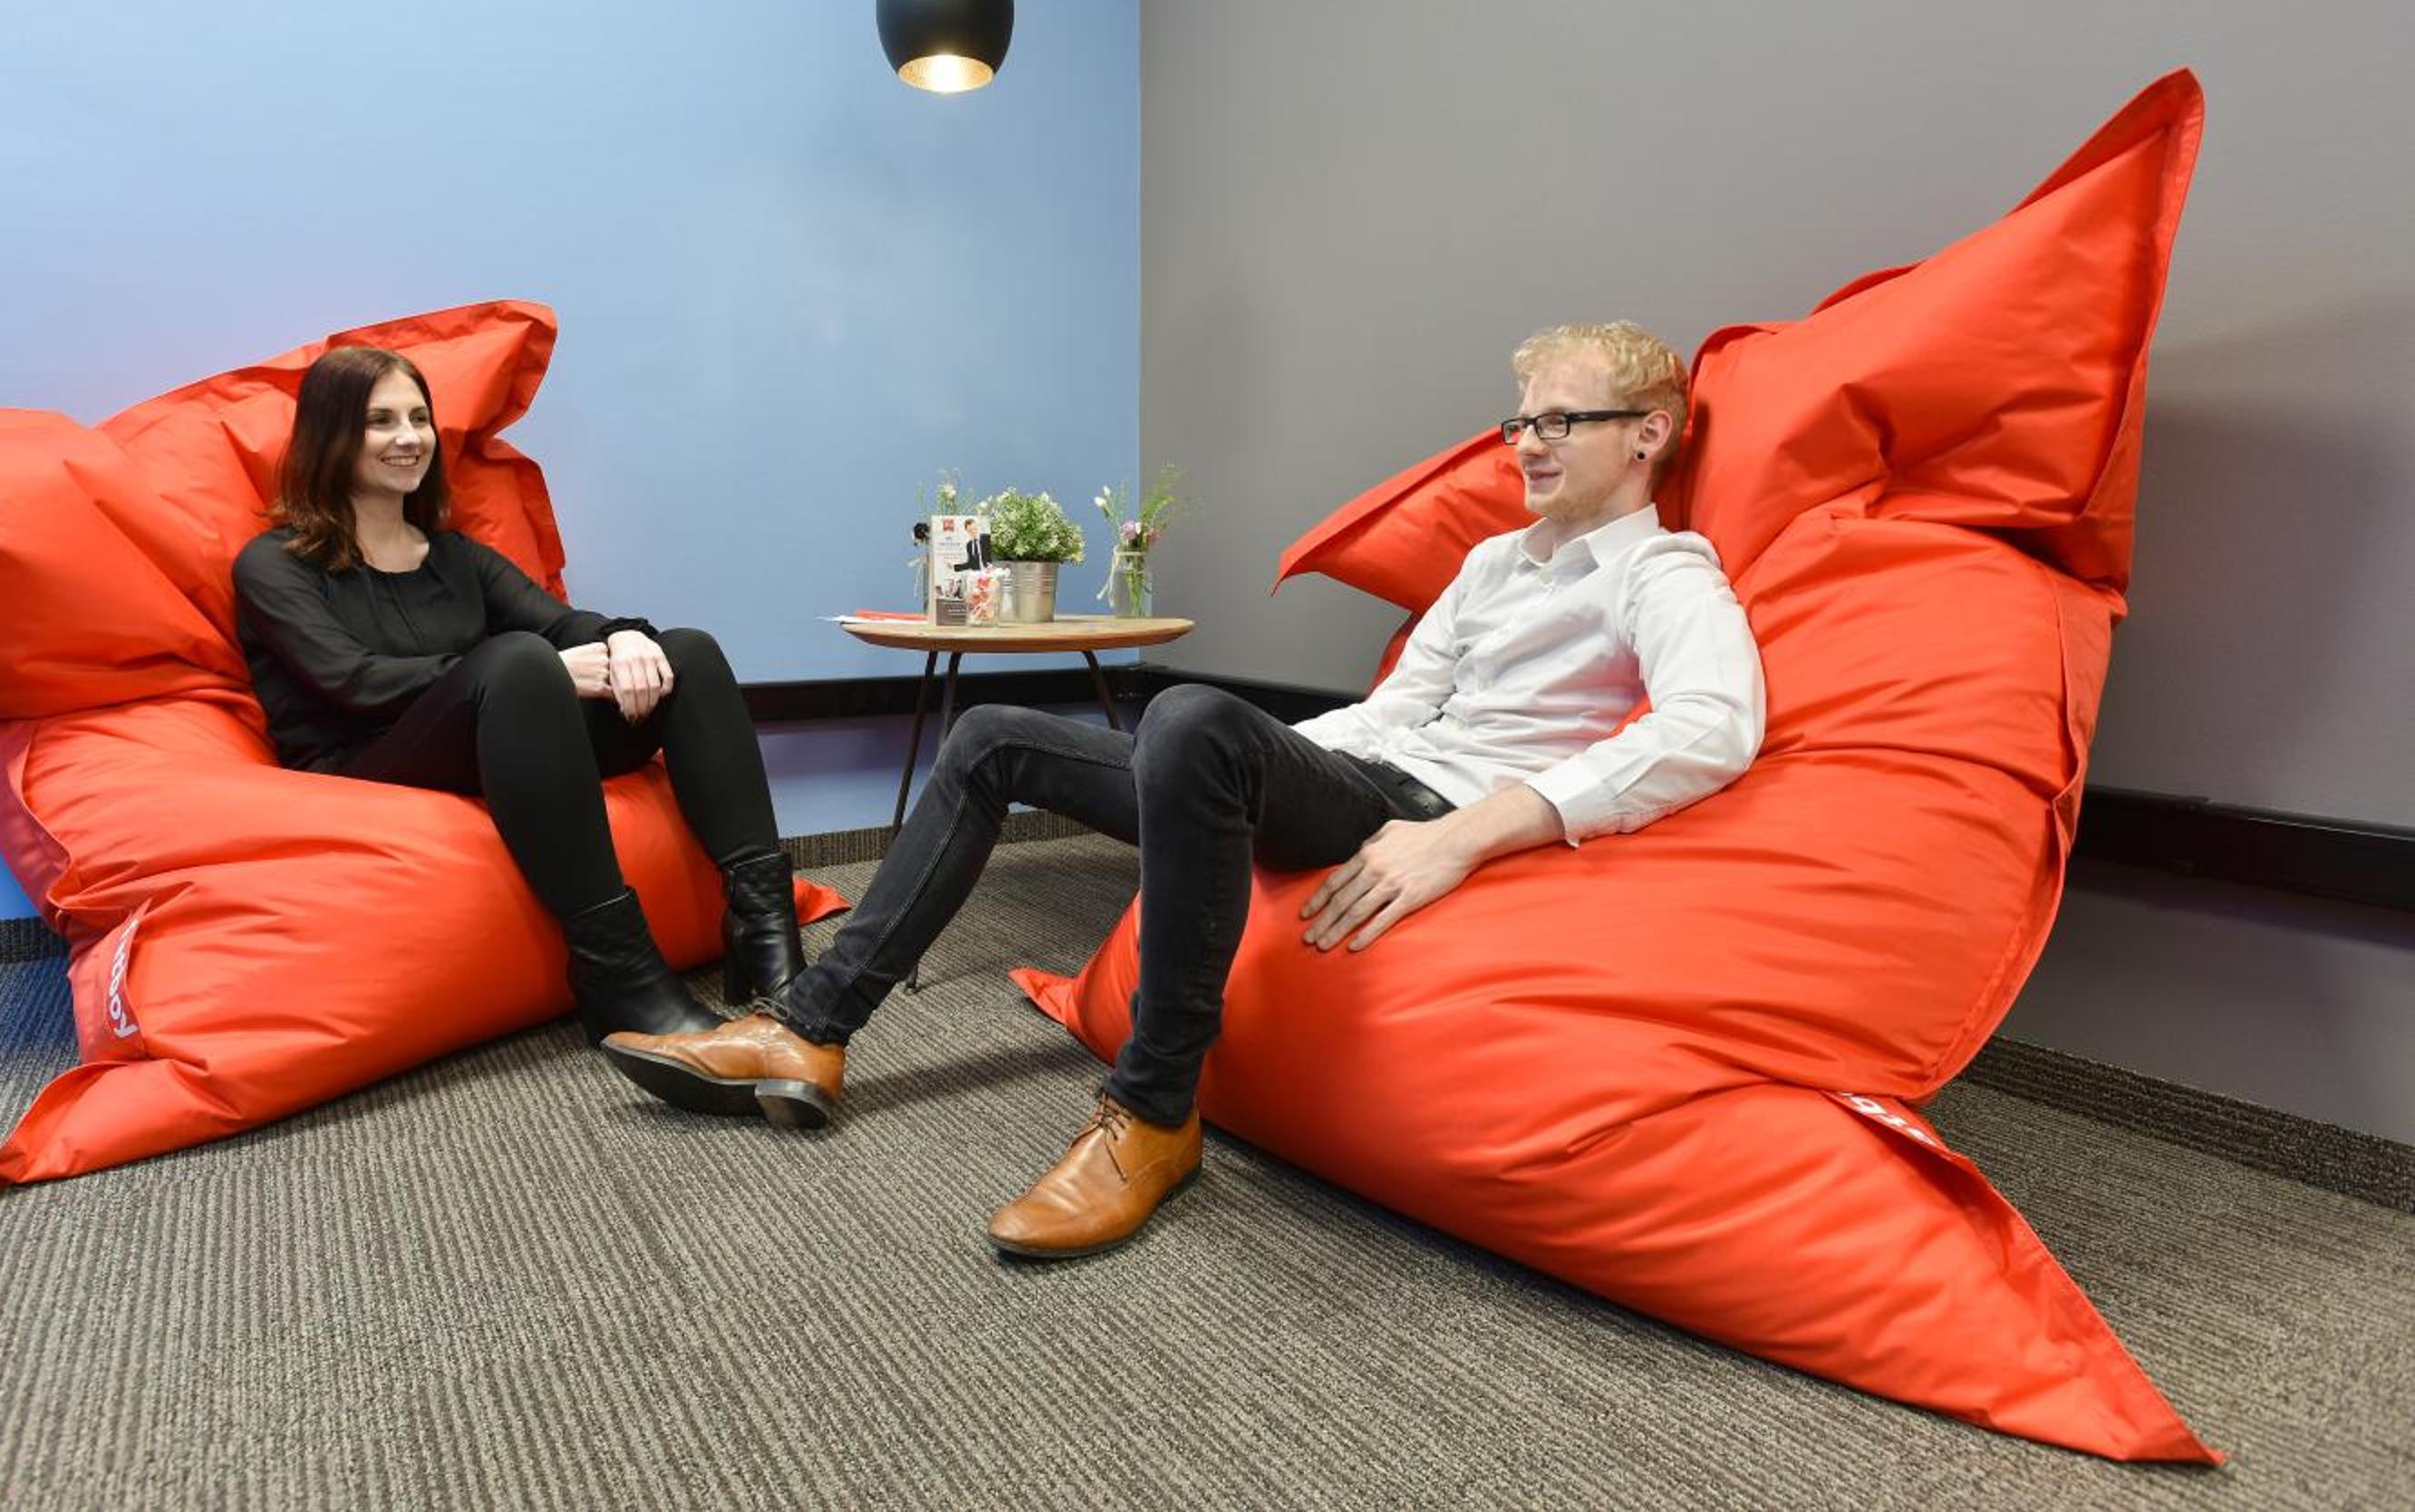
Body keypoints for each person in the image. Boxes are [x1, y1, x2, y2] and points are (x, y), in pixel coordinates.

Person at [604, 322, 1767, 1258]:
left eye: (1560, 421)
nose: (1526, 445)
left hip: (1437, 811)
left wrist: (1474, 831)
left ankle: (1156, 1114)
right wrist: (1249, 764)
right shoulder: (1493, 562)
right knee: (997, 733)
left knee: (1192, 715)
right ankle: (809, 1031)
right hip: (1366, 774)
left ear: (1649, 433)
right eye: (1520, 421)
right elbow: (1391, 712)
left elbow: (1713, 725)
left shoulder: (1663, 570)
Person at [232, 344, 802, 1044]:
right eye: (381, 421)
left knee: (687, 652)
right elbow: (351, 680)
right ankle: (616, 970)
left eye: (418, 418)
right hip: (362, 761)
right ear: (331, 434)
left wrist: (625, 637)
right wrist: (535, 671)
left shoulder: (454, 555)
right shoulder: (274, 564)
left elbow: (560, 624)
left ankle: (763, 926)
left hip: (495, 742)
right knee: (517, 662)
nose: (409, 437)